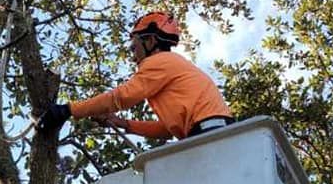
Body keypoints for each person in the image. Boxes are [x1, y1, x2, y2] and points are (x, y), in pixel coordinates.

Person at [37, 12, 234, 139]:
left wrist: (68, 110)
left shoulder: (159, 62)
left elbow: (120, 97)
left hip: (210, 130)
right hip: (208, 131)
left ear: (150, 41)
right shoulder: (170, 69)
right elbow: (167, 130)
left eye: (134, 47)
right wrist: (123, 123)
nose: (133, 56)